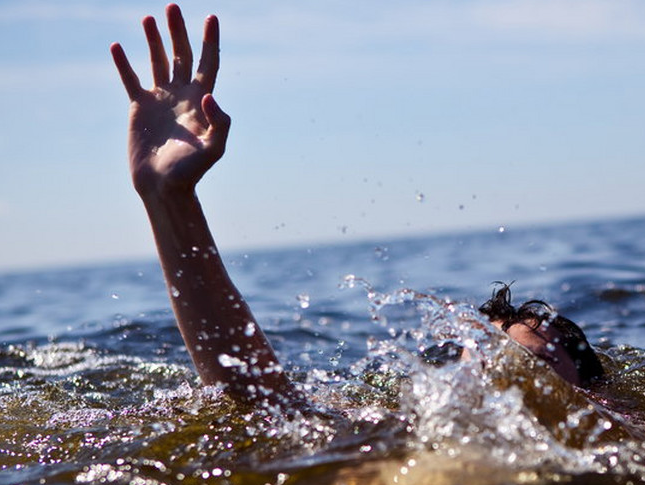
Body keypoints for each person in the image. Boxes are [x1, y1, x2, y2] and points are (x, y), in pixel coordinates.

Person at [110, 4, 603, 411]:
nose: (502, 373)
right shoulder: (400, 434)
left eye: (534, 364)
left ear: (596, 400)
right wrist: (168, 200)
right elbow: (261, 402)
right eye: (489, 360)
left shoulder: (623, 445)